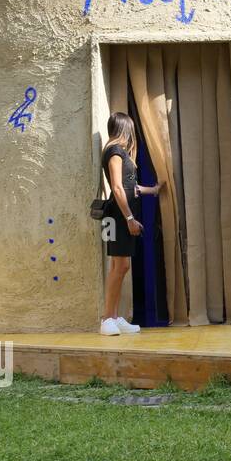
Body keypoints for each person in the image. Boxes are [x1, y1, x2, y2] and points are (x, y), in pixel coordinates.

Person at [98, 112, 159, 336]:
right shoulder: (115, 152)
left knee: (120, 266)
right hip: (117, 217)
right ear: (125, 129)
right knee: (120, 266)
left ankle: (114, 317)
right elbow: (116, 187)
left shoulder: (121, 153)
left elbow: (129, 186)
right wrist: (130, 218)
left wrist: (152, 190)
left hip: (120, 217)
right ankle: (107, 319)